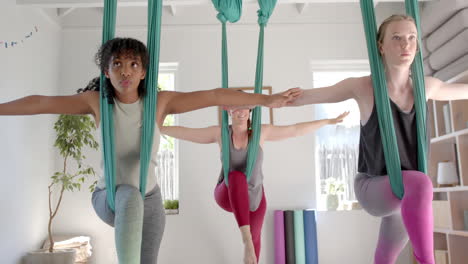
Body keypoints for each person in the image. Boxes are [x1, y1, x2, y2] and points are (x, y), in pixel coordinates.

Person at [0, 37, 301, 264]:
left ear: (144, 72)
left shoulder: (160, 103)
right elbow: (40, 102)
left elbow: (212, 95)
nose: (125, 71)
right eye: (117, 64)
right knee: (130, 195)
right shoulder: (96, 103)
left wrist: (264, 100)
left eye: (133, 64)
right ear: (106, 71)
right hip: (111, 197)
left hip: (151, 200)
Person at [287, 15, 468, 264]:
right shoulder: (364, 88)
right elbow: (308, 96)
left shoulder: (427, 87)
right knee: (422, 184)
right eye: (396, 38)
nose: (406, 45)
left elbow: (463, 91)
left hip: (407, 193)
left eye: (411, 38)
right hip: (373, 186)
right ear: (381, 46)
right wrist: (260, 100)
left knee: (385, 257)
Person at [161, 103, 348, 264]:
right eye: (236, 107)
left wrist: (327, 121)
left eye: (245, 107)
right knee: (236, 177)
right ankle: (246, 240)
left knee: (254, 251)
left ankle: (250, 243)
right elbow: (186, 133)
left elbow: (295, 129)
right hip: (226, 194)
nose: (241, 112)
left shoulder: (261, 132)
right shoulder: (221, 133)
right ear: (228, 110)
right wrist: (157, 127)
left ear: (251, 111)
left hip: (255, 200)